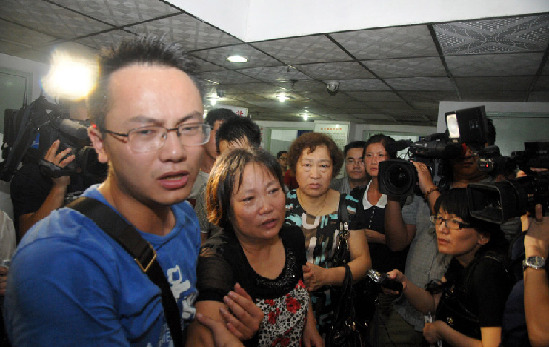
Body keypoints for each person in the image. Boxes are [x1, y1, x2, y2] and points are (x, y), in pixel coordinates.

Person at [4, 36, 260, 346]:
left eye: (189, 127)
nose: (176, 151)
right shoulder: (60, 260)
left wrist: (220, 326)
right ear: (99, 142)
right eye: (145, 131)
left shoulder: (183, 217)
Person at [188, 147, 322, 346]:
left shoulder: (291, 236)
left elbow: (299, 284)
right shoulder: (216, 261)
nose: (267, 207)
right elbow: (201, 336)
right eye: (249, 198)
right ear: (226, 208)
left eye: (273, 191)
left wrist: (309, 326)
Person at [388, 188, 513, 347]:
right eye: (439, 219)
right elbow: (432, 304)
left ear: (483, 236)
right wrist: (404, 283)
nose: (441, 229)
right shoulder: (460, 260)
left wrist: (442, 331)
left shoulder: (488, 270)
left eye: (455, 222)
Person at [284, 132, 371, 336]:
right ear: (294, 168)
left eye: (323, 165)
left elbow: (363, 261)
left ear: (333, 170)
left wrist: (326, 276)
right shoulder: (280, 205)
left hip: (334, 311)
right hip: (286, 310)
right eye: (307, 165)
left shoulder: (348, 206)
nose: (315, 174)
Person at [9, 100, 103, 238]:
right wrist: (59, 187)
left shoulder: (99, 169)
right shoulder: (34, 174)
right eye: (86, 127)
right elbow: (29, 235)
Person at [195, 116, 262, 244]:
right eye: (226, 157)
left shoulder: (272, 191)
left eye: (240, 156)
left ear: (258, 153)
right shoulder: (208, 193)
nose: (232, 165)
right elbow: (201, 241)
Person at [188, 108, 236, 206]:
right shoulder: (185, 175)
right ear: (204, 134)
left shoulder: (236, 179)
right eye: (219, 135)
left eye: (229, 137)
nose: (223, 143)